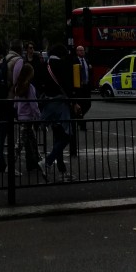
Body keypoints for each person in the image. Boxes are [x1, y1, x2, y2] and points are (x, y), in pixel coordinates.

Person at [39, 43, 77, 180]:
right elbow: (67, 85)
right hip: (60, 104)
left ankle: (61, 170)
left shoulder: (45, 65)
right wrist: (74, 101)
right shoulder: (62, 65)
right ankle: (47, 161)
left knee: (58, 136)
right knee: (67, 135)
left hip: (48, 104)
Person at [0, 39, 24, 173]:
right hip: (11, 99)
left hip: (1, 98)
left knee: (2, 133)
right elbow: (18, 81)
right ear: (20, 49)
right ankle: (11, 165)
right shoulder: (18, 61)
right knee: (13, 133)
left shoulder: (6, 58)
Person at [13, 61, 42, 176]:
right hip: (28, 117)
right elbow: (33, 104)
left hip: (21, 116)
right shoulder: (30, 87)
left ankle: (39, 161)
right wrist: (38, 116)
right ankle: (10, 165)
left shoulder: (18, 86)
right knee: (20, 143)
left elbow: (16, 103)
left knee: (32, 141)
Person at [73, 44, 92, 132]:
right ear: (77, 52)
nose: (81, 52)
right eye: (80, 50)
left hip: (86, 86)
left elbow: (88, 72)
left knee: (88, 104)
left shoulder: (86, 61)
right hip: (79, 87)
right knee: (80, 104)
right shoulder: (74, 61)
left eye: (83, 50)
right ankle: (81, 122)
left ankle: (78, 117)